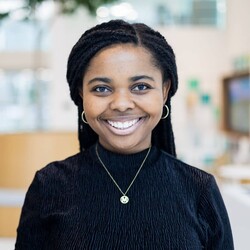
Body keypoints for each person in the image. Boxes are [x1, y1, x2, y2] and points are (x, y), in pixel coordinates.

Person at [15, 19, 234, 249]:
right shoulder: (50, 184)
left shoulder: (198, 189)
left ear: (165, 90)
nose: (121, 104)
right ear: (81, 94)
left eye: (140, 87)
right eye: (101, 88)